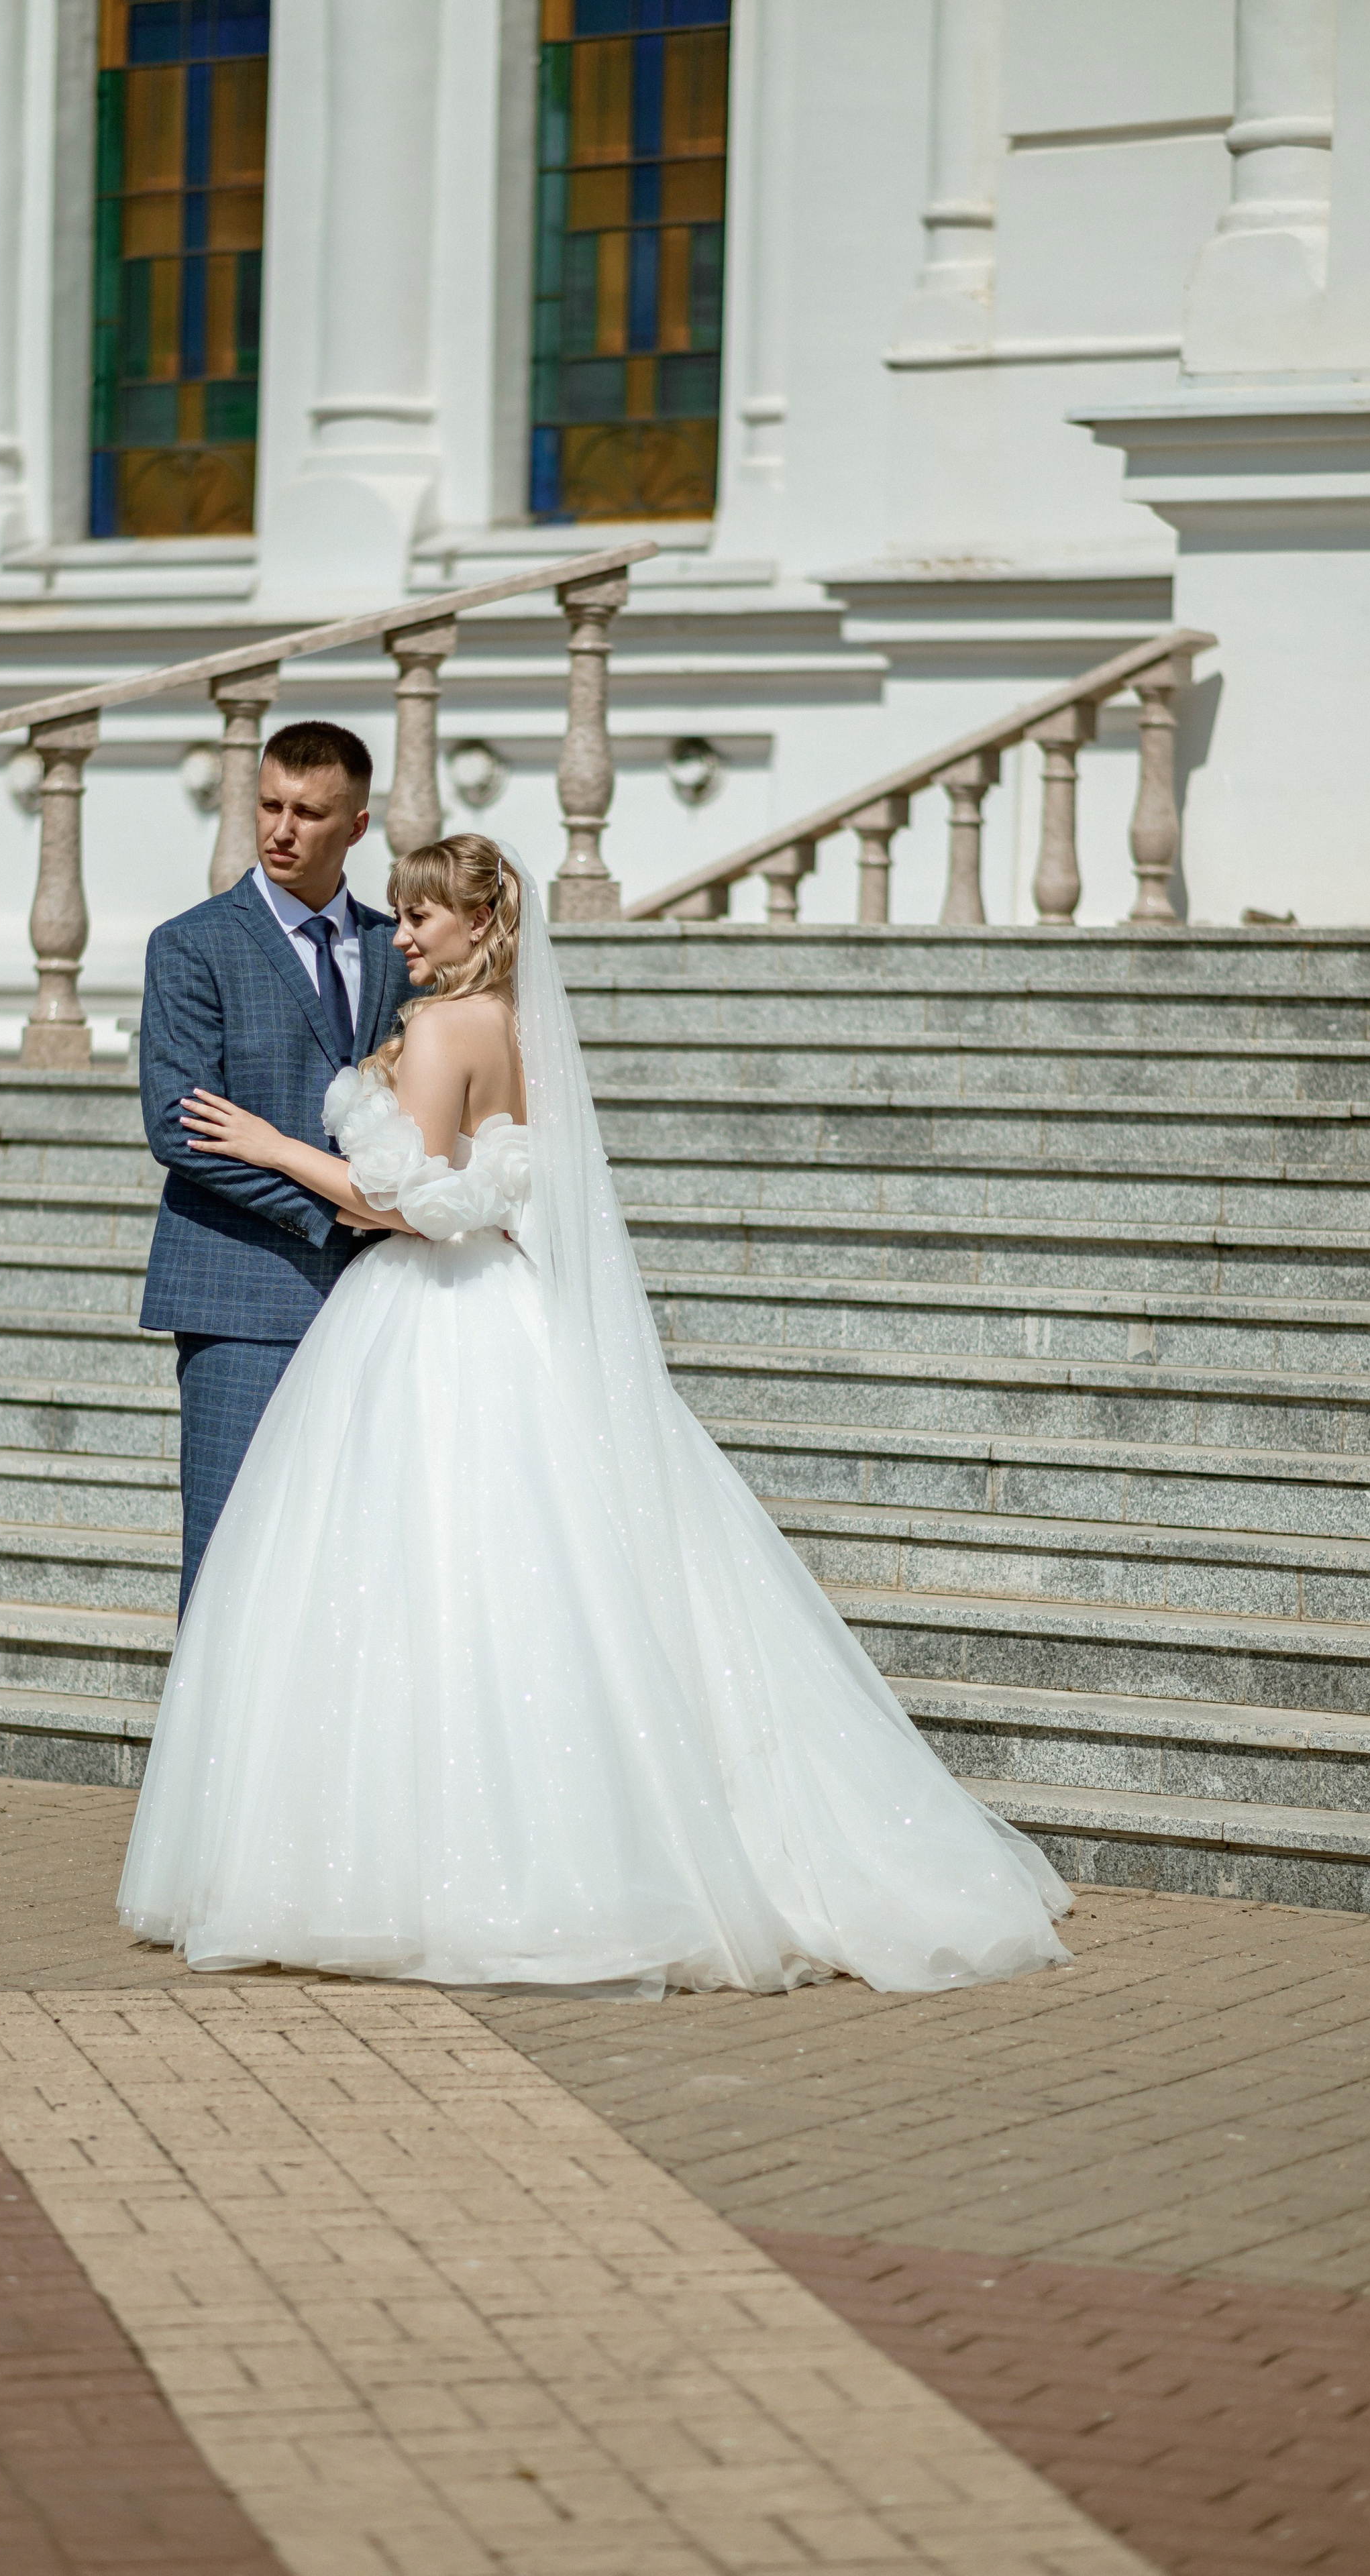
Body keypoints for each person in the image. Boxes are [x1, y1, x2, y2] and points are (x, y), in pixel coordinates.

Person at [119, 834, 1073, 1996]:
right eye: (402, 915)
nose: (400, 935)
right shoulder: (520, 1027)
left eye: (423, 918)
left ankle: (430, 1867)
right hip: (511, 1303)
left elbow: (402, 1203)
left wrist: (273, 1146)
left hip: (433, 1309)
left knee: (423, 1577)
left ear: (480, 923)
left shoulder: (443, 1028)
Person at [138, 720, 413, 1615]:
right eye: (269, 805)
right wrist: (337, 1210)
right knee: (231, 1561)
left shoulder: (396, 952)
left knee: (351, 1565)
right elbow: (182, 1127)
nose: (281, 829)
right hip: (241, 1302)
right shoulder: (192, 945)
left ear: (357, 826)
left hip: (381, 1304)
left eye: (309, 813)